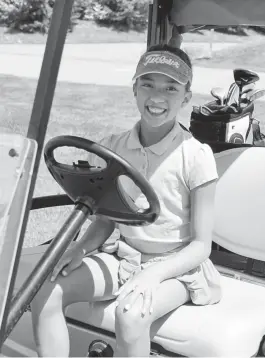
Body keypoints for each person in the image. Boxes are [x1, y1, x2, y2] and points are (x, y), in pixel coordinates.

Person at [30, 44, 222, 357]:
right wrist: (79, 248)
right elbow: (105, 218)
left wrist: (153, 274)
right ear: (134, 88)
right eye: (147, 84)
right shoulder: (113, 146)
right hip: (124, 258)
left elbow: (201, 246)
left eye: (171, 88)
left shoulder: (196, 157)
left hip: (175, 267)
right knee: (45, 290)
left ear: (186, 97)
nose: (157, 97)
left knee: (131, 315)